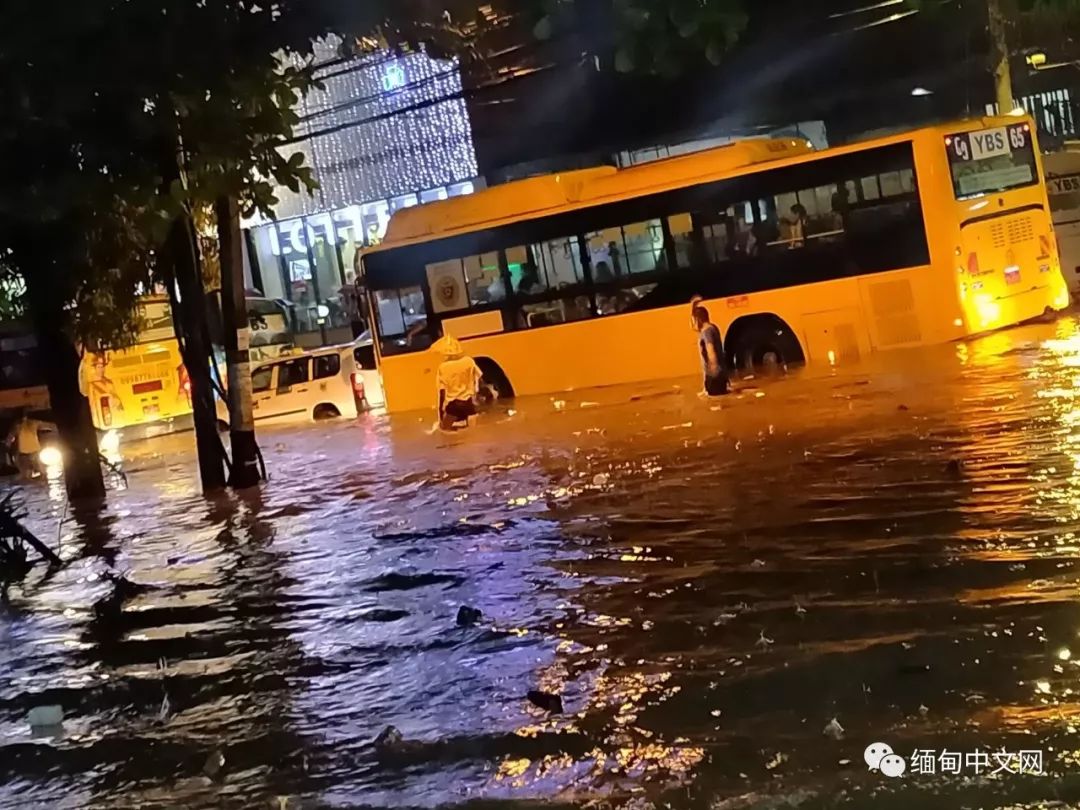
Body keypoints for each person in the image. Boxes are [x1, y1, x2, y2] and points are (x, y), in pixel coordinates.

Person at [433, 335, 483, 430]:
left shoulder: (443, 367)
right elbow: (479, 378)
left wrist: (440, 414)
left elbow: (442, 392)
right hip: (468, 404)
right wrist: (478, 398)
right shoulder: (469, 361)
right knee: (473, 433)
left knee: (444, 432)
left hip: (453, 405)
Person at [689, 297, 728, 397]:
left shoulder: (707, 332)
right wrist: (693, 307)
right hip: (718, 375)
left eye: (694, 320)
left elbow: (710, 349)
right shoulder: (712, 327)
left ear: (698, 319)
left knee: (714, 399)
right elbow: (692, 326)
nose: (693, 324)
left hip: (715, 377)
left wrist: (714, 367)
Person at [9, 409, 43, 479]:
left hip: (29, 451)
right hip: (31, 450)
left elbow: (11, 435)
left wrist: (8, 442)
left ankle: (34, 475)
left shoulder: (20, 424)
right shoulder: (31, 423)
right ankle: (35, 475)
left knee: (30, 466)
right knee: (35, 466)